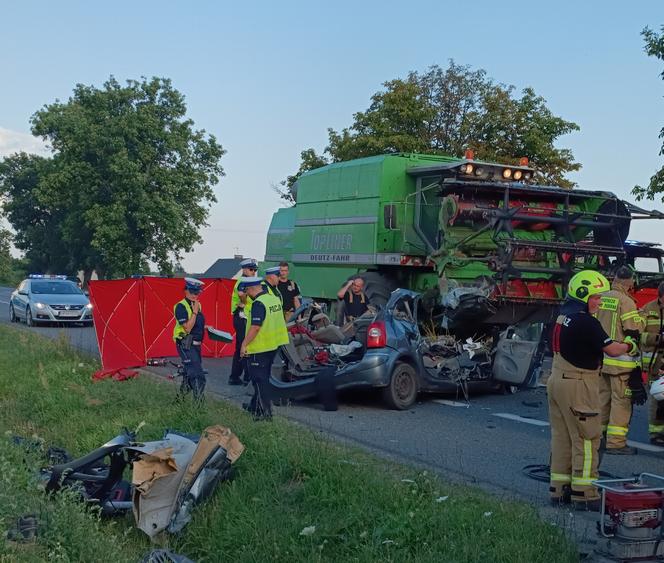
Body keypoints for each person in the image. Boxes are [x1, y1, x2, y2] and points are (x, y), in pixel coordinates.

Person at [548, 270, 636, 510]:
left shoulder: (562, 316)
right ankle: (584, 493)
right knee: (587, 439)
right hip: (579, 382)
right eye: (595, 297)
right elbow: (614, 349)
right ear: (583, 295)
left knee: (562, 437)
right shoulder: (586, 321)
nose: (599, 301)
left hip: (557, 378)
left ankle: (558, 489)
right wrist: (631, 343)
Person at [596, 266, 646, 455]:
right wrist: (642, 317)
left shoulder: (601, 297)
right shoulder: (626, 301)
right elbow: (634, 329)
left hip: (602, 360)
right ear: (629, 282)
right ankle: (616, 443)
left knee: (602, 400)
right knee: (621, 403)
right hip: (621, 363)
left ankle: (598, 438)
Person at [239, 276, 289, 420]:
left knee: (260, 381)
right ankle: (254, 406)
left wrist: (244, 344)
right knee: (263, 378)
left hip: (259, 348)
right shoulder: (273, 299)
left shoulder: (259, 304)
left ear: (251, 289)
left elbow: (255, 327)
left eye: (247, 291)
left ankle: (265, 413)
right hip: (273, 346)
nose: (247, 295)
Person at [172, 277, 206, 400]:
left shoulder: (197, 305)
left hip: (196, 344)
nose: (194, 295)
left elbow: (196, 324)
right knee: (197, 375)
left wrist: (207, 327)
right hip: (185, 343)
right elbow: (187, 328)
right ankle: (199, 405)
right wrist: (195, 312)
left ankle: (179, 401)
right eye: (191, 292)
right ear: (185, 291)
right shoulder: (180, 306)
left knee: (188, 374)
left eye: (197, 292)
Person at [640, 281, 664, 445]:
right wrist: (657, 339)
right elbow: (638, 335)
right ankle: (656, 433)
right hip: (655, 363)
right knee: (657, 399)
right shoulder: (647, 309)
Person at [228, 258, 258, 385]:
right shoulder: (242, 282)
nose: (253, 272)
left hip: (246, 317)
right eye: (251, 269)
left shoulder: (249, 281)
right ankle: (244, 376)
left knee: (243, 346)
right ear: (244, 269)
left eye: (255, 270)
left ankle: (237, 376)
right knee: (244, 346)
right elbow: (242, 297)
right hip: (241, 317)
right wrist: (244, 300)